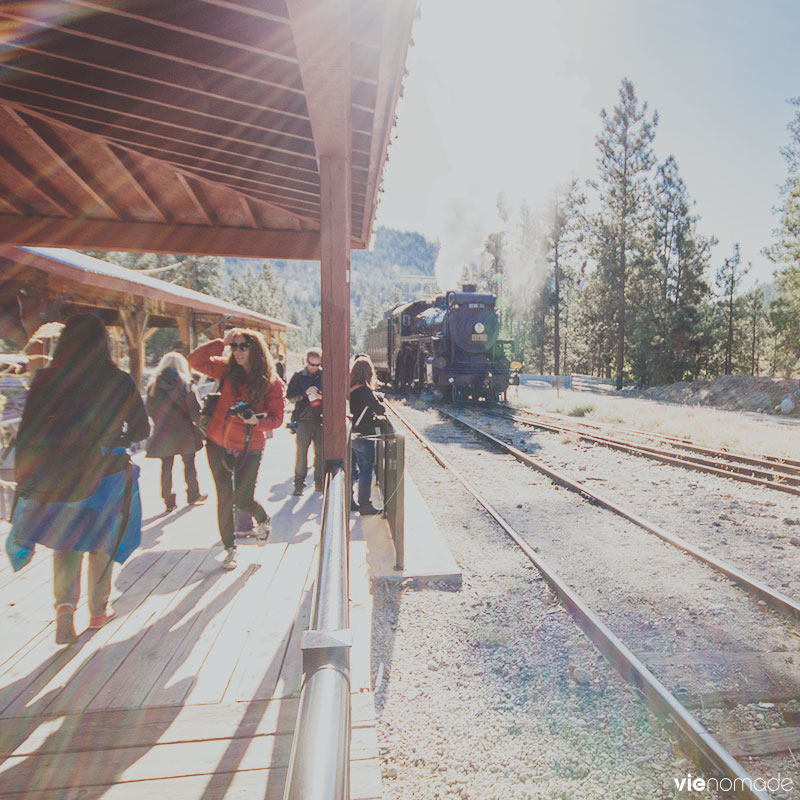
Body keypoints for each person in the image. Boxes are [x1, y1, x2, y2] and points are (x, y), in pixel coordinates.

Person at [7, 313, 149, 645]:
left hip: (59, 473)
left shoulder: (45, 379)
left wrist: (27, 477)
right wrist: (117, 438)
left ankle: (65, 610)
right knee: (101, 539)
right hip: (106, 472)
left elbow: (29, 431)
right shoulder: (119, 380)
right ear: (103, 343)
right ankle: (98, 610)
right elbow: (142, 429)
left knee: (66, 540)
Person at [188, 328, 284, 570]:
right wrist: (222, 341)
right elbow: (194, 361)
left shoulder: (272, 382)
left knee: (242, 498)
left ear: (256, 350)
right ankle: (230, 549)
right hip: (218, 441)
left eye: (244, 346)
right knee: (224, 497)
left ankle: (261, 518)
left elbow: (277, 419)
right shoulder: (226, 370)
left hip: (250, 445)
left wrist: (256, 422)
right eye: (236, 347)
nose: (238, 351)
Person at [145, 352, 207, 512]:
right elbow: (195, 409)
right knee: (189, 464)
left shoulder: (153, 385)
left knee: (166, 466)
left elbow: (149, 409)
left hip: (163, 431)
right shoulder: (185, 384)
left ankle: (168, 501)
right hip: (184, 430)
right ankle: (193, 495)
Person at [349, 355, 385, 515]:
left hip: (352, 434)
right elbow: (380, 410)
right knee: (366, 469)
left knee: (351, 469)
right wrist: (379, 400)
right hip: (364, 435)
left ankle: (350, 501)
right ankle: (365, 504)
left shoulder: (351, 388)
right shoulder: (365, 390)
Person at [286, 348, 323, 495]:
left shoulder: (324, 375)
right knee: (302, 454)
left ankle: (319, 483)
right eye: (312, 365)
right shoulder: (298, 377)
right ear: (306, 362)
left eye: (317, 365)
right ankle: (299, 485)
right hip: (303, 419)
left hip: (320, 419)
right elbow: (290, 397)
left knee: (320, 453)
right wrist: (305, 394)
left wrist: (321, 397)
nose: (314, 368)